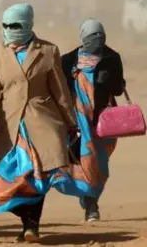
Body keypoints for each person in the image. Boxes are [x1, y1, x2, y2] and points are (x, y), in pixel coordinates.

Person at [0, 3, 87, 243]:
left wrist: (71, 122)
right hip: (10, 126)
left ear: (27, 25)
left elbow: (60, 90)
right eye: (6, 25)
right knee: (2, 182)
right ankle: (25, 216)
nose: (10, 30)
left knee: (37, 178)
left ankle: (32, 226)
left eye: (15, 25)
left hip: (42, 123)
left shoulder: (48, 51)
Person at [61, 19, 125, 222]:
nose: (98, 40)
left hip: (103, 120)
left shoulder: (112, 58)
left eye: (101, 36)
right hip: (77, 120)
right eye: (93, 37)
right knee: (83, 160)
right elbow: (60, 88)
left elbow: (118, 89)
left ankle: (89, 195)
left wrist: (109, 80)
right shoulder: (69, 59)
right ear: (84, 39)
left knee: (101, 164)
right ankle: (91, 205)